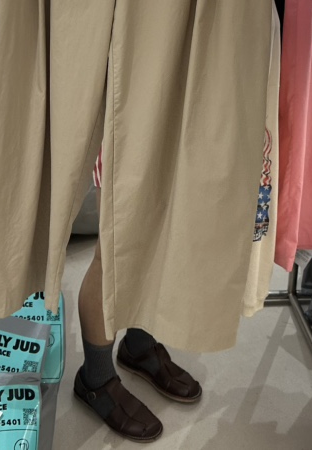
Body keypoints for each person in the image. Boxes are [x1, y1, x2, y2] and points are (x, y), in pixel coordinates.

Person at [73, 157, 202, 442]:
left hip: (175, 133)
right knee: (112, 253)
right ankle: (95, 378)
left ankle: (138, 346)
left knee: (155, 240)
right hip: (123, 134)